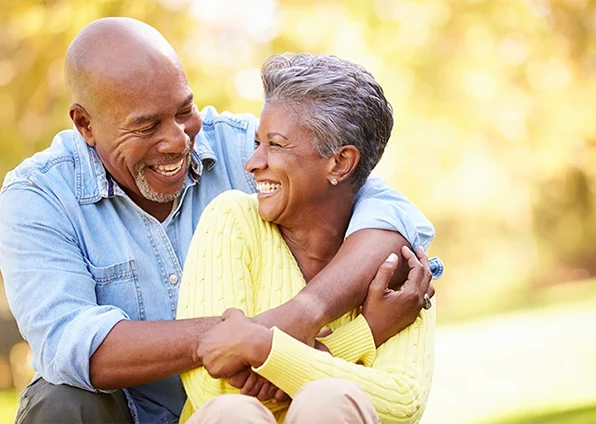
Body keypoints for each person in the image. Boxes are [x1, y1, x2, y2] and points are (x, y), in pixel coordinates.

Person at [0, 18, 437, 424]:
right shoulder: (37, 197)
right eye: (146, 127)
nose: (176, 141)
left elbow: (382, 206)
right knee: (61, 402)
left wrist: (304, 314)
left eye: (184, 111)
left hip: (246, 409)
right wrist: (253, 339)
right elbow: (74, 345)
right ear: (85, 124)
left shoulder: (241, 146)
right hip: (127, 411)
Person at [178, 53, 435, 424]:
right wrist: (364, 334)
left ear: (340, 163)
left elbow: (402, 402)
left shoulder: (399, 264)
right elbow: (212, 389)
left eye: (276, 145)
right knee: (232, 412)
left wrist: (264, 349)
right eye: (256, 143)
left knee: (330, 401)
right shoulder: (232, 218)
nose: (251, 163)